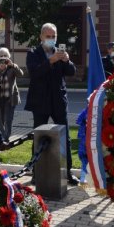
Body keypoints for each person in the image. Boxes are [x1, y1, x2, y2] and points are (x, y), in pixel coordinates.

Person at [25, 23, 79, 186]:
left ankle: (67, 172)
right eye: (48, 36)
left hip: (58, 101)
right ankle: (36, 173)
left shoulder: (59, 52)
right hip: (40, 101)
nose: (51, 39)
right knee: (39, 137)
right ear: (41, 37)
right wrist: (51, 61)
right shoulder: (33, 53)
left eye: (53, 36)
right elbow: (35, 73)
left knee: (65, 138)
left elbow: (71, 72)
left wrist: (67, 60)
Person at [0, 47, 24, 141]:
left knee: (8, 119)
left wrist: (13, 65)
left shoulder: (12, 67)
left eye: (5, 56)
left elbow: (21, 74)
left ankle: (6, 138)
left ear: (8, 57)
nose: (3, 57)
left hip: (10, 98)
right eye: (1, 56)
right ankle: (3, 136)